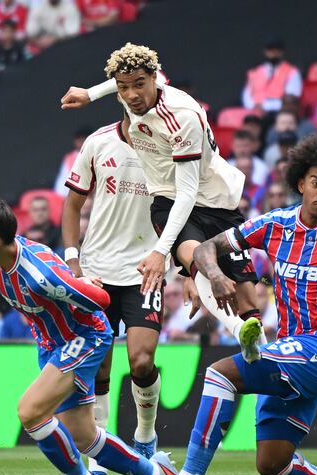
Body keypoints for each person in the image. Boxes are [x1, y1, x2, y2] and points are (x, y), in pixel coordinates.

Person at [146, 134, 317, 475]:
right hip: (289, 350)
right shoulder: (275, 224)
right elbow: (205, 249)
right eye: (315, 183)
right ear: (300, 183)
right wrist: (216, 277)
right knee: (273, 465)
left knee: (220, 374)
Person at [0, 196, 195, 475]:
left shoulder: (40, 276)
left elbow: (102, 301)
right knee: (84, 437)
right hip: (51, 342)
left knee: (30, 411)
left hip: (84, 338)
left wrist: (84, 284)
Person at [60, 43, 266, 360]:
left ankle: (258, 345)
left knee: (248, 297)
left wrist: (159, 253)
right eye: (123, 89)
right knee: (198, 260)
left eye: (139, 85)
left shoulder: (183, 117)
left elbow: (188, 193)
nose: (131, 96)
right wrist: (90, 94)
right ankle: (239, 332)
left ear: (155, 80)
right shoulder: (128, 103)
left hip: (211, 197)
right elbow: (126, 78)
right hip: (167, 200)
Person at [62, 113, 200, 475]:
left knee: (141, 361)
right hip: (95, 272)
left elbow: (187, 210)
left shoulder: (172, 148)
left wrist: (189, 272)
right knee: (99, 370)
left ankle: (144, 434)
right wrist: (73, 262)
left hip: (146, 270)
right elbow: (72, 206)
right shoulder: (98, 142)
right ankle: (99, 461)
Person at [241, 37, 302, 114]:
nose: (274, 53)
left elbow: (292, 98)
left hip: (278, 112)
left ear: (282, 52)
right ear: (265, 52)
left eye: (277, 50)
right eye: (270, 50)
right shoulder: (254, 72)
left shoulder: (292, 71)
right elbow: (247, 96)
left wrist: (265, 106)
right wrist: (255, 107)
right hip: (254, 111)